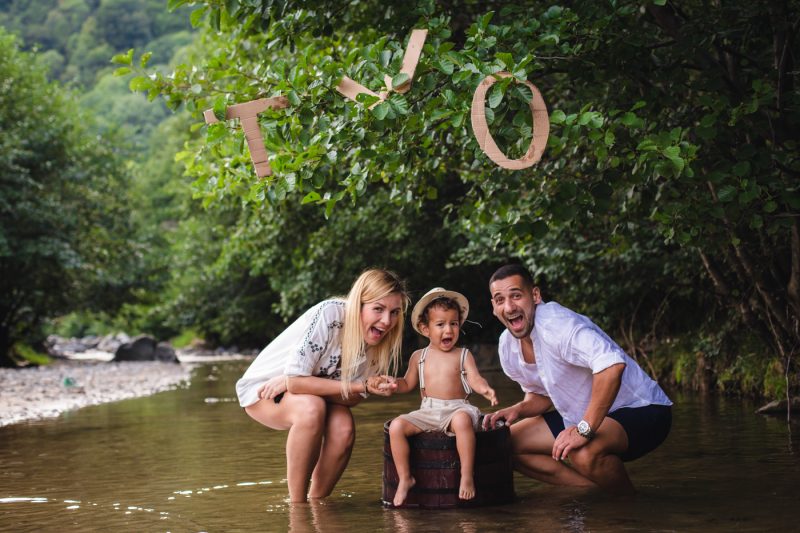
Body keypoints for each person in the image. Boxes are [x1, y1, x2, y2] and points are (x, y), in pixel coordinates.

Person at [482, 264, 672, 495]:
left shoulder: (557, 325)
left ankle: (627, 509)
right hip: (583, 418)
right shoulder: (507, 346)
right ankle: (596, 490)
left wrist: (584, 429)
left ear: (535, 295)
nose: (509, 306)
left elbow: (612, 365)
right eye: (500, 299)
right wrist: (518, 409)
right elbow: (542, 396)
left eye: (516, 296)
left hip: (642, 409)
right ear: (493, 307)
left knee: (582, 452)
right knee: (503, 444)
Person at [236, 268, 407, 503]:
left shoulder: (379, 340)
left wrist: (365, 387)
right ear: (358, 304)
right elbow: (297, 382)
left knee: (344, 427)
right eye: (378, 309)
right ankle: (297, 508)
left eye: (395, 312)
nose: (387, 321)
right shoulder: (332, 314)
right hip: (263, 390)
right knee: (311, 407)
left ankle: (316, 504)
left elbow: (352, 399)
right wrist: (359, 385)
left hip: (313, 393)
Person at [388, 288, 498, 506]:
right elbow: (407, 383)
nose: (448, 329)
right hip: (428, 410)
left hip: (457, 408)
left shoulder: (463, 354)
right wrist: (392, 383)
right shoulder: (419, 357)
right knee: (396, 427)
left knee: (462, 421)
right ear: (425, 328)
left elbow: (475, 379)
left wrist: (485, 389)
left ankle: (466, 476)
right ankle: (405, 478)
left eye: (454, 323)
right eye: (440, 324)